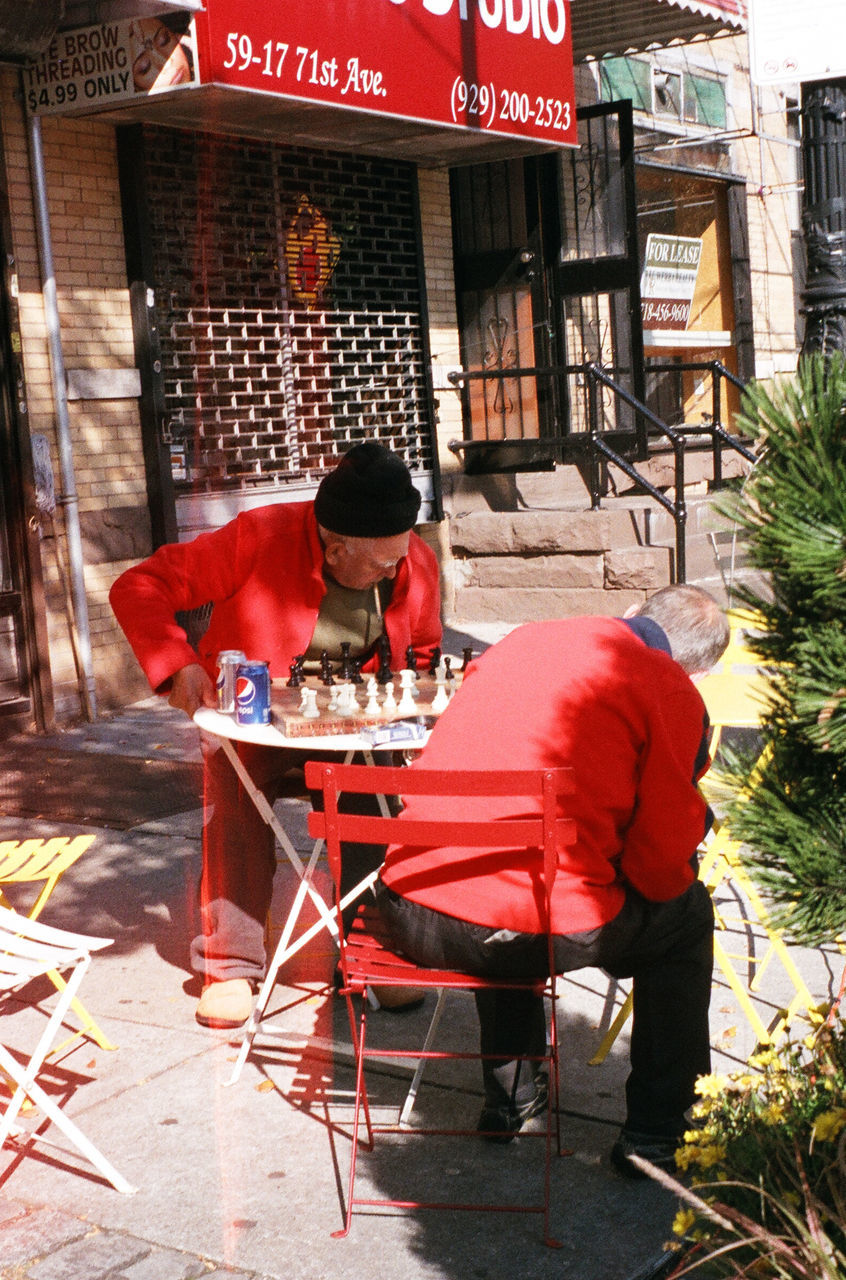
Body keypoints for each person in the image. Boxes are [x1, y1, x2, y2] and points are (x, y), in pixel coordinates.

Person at [376, 584, 730, 1176]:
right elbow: (661, 864)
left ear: (633, 613)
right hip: (520, 919)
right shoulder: (666, 686)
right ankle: (660, 1135)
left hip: (410, 903)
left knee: (509, 871)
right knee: (683, 918)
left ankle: (512, 1097)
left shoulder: (523, 640)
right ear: (696, 669)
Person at [110, 443, 441, 1029]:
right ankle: (230, 964)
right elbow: (141, 584)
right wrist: (179, 661)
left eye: (400, 557)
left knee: (373, 800)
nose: (398, 569)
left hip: (349, 721)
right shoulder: (259, 536)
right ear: (334, 547)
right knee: (235, 799)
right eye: (382, 563)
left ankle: (371, 951)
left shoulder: (410, 557)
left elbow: (421, 652)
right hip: (254, 715)